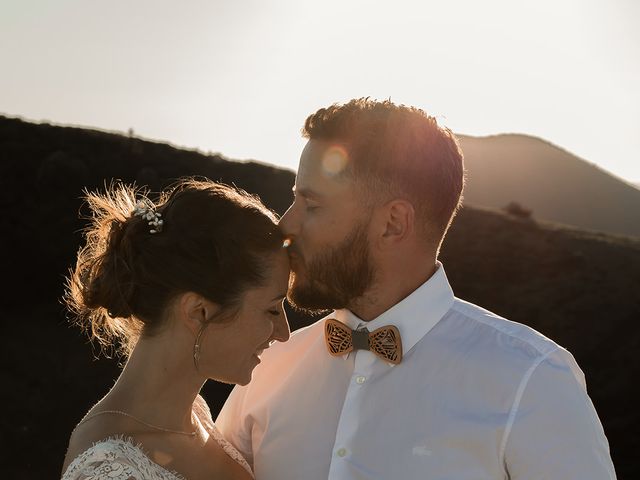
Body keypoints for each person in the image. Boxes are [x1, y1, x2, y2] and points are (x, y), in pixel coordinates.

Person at [216, 98, 617, 479]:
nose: (286, 226)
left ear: (393, 223)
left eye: (313, 205)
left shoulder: (532, 380)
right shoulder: (266, 367)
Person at [60, 178, 291, 480]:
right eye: (272, 309)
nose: (283, 332)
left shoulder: (196, 414)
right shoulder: (109, 470)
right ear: (198, 311)